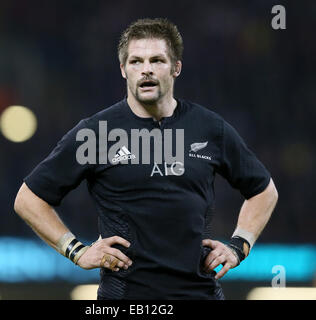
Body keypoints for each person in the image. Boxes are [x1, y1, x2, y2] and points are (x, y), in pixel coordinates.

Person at [14, 18, 278, 300]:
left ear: (176, 67)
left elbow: (263, 191)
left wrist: (239, 245)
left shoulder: (210, 128)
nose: (146, 70)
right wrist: (76, 251)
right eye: (136, 62)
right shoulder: (96, 132)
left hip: (199, 294)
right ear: (123, 70)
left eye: (157, 60)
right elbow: (28, 199)